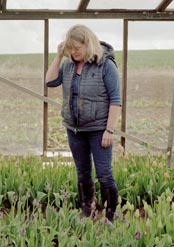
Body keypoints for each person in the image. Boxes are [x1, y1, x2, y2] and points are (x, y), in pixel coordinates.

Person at [45, 24, 121, 223]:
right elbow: (50, 81)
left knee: (104, 173)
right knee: (83, 172)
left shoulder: (106, 65)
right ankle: (88, 210)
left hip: (99, 131)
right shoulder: (68, 65)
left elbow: (115, 100)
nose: (73, 52)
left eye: (77, 48)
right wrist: (59, 55)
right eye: (70, 48)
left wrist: (109, 130)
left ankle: (111, 215)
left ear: (89, 44)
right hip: (75, 130)